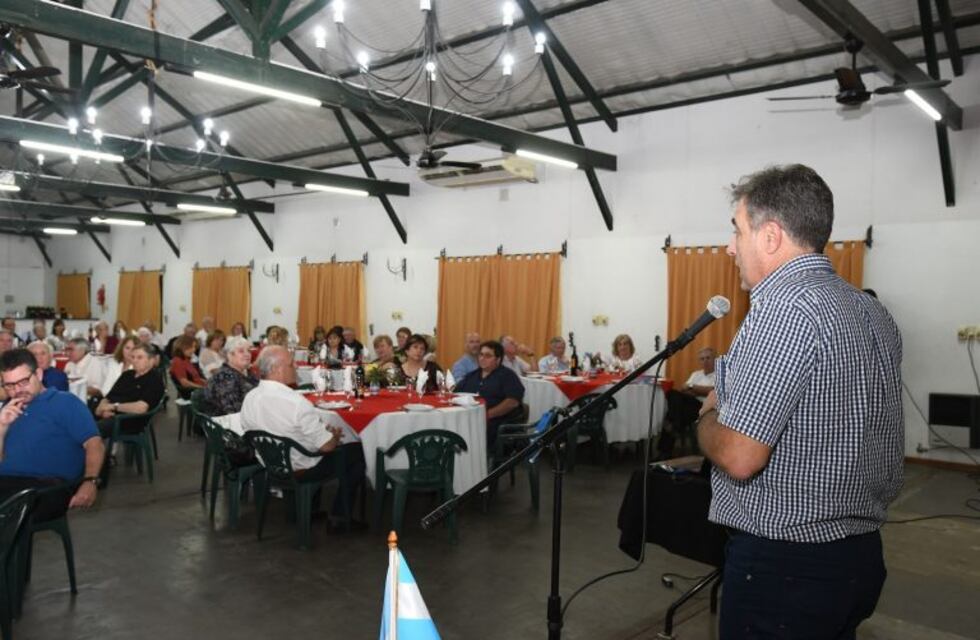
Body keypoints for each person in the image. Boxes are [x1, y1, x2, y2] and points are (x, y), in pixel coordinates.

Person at [696, 164, 903, 639]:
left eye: (737, 230)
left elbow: (740, 456)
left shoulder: (783, 309)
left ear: (770, 237)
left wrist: (708, 417)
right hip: (857, 555)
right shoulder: (869, 310)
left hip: (786, 566)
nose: (731, 246)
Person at [240, 346, 366, 526]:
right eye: (292, 364)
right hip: (301, 469)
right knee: (358, 451)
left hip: (272, 465)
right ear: (278, 369)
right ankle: (341, 517)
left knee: (307, 443)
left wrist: (321, 434)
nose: (297, 368)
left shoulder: (250, 397)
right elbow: (326, 447)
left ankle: (305, 511)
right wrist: (334, 437)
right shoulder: (296, 402)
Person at [0, 348, 104, 521]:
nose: (17, 390)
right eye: (9, 385)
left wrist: (90, 481)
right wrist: (2, 427)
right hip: (7, 483)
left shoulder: (65, 402)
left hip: (47, 487)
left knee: (8, 513)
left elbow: (94, 444)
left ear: (39, 374)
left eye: (23, 382)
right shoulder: (8, 409)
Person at [456, 340, 525, 449]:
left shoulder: (508, 376)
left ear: (498, 360)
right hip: (469, 417)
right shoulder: (471, 376)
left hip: (496, 421)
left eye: (488, 356)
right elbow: (455, 393)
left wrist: (487, 415)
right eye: (481, 355)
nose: (482, 358)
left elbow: (512, 402)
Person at [95, 343, 166, 439]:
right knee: (79, 422)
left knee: (90, 432)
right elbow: (108, 397)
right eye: (133, 357)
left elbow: (141, 408)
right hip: (112, 414)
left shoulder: (154, 379)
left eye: (139, 357)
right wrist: (101, 409)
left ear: (151, 360)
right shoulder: (127, 375)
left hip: (130, 420)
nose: (134, 361)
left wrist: (113, 407)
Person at [205, 336, 259, 415]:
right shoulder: (224, 377)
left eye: (248, 351)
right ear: (229, 355)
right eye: (241, 351)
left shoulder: (246, 372)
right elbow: (232, 410)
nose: (247, 354)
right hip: (228, 423)